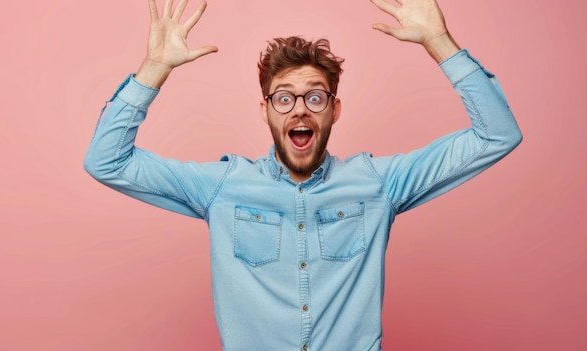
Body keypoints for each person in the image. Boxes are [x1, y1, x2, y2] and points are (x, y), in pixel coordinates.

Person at [84, 0, 522, 349]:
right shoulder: (222, 187)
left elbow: (496, 136)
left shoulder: (378, 184)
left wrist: (440, 42)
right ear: (266, 112)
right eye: (284, 98)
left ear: (334, 110)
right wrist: (154, 70)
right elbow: (107, 161)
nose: (299, 108)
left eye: (315, 98)